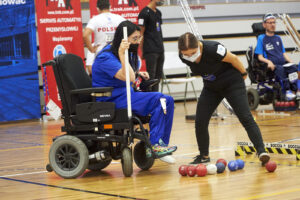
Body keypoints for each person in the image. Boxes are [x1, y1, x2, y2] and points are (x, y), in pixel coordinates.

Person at [177, 32, 270, 165]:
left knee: (245, 117)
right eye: (186, 54)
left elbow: (234, 59)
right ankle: (204, 156)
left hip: (232, 83)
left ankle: (261, 151)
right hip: (211, 87)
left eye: (193, 53)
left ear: (198, 45)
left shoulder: (213, 49)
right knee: (200, 121)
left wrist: (243, 74)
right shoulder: (183, 56)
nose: (190, 57)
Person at [92, 20, 177, 163]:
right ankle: (155, 145)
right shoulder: (105, 57)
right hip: (110, 100)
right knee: (159, 99)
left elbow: (131, 76)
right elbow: (129, 78)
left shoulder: (129, 55)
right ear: (123, 39)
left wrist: (139, 74)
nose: (137, 42)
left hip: (126, 95)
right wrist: (122, 53)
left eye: (139, 38)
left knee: (167, 100)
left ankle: (160, 145)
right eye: (134, 39)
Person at [255, 13, 299, 100]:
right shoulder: (261, 38)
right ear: (264, 25)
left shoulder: (278, 38)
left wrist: (291, 62)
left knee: (295, 68)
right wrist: (268, 62)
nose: (272, 25)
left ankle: (296, 91)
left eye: (274, 22)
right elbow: (260, 57)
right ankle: (287, 92)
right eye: (270, 23)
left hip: (283, 63)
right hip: (272, 65)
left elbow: (284, 53)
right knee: (281, 70)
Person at [83, 0, 125, 75]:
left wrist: (91, 49)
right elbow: (131, 31)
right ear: (110, 7)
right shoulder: (119, 18)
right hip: (118, 54)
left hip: (102, 55)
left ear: (97, 8)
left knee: (104, 79)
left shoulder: (95, 19)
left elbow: (85, 35)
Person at [138, 0, 165, 91]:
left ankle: (156, 98)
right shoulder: (144, 13)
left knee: (158, 77)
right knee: (150, 77)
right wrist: (142, 50)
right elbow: (141, 33)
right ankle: (149, 98)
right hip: (150, 50)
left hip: (160, 49)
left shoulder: (159, 13)